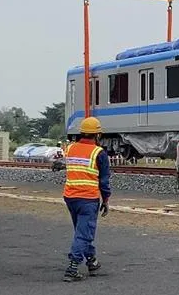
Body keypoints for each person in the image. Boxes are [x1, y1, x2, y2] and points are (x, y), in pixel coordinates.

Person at [62, 117, 111, 282]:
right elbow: (104, 181)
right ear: (97, 135)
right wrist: (106, 200)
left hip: (70, 197)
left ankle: (92, 261)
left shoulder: (70, 148)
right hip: (88, 199)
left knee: (81, 231)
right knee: (84, 233)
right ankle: (73, 267)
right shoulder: (99, 153)